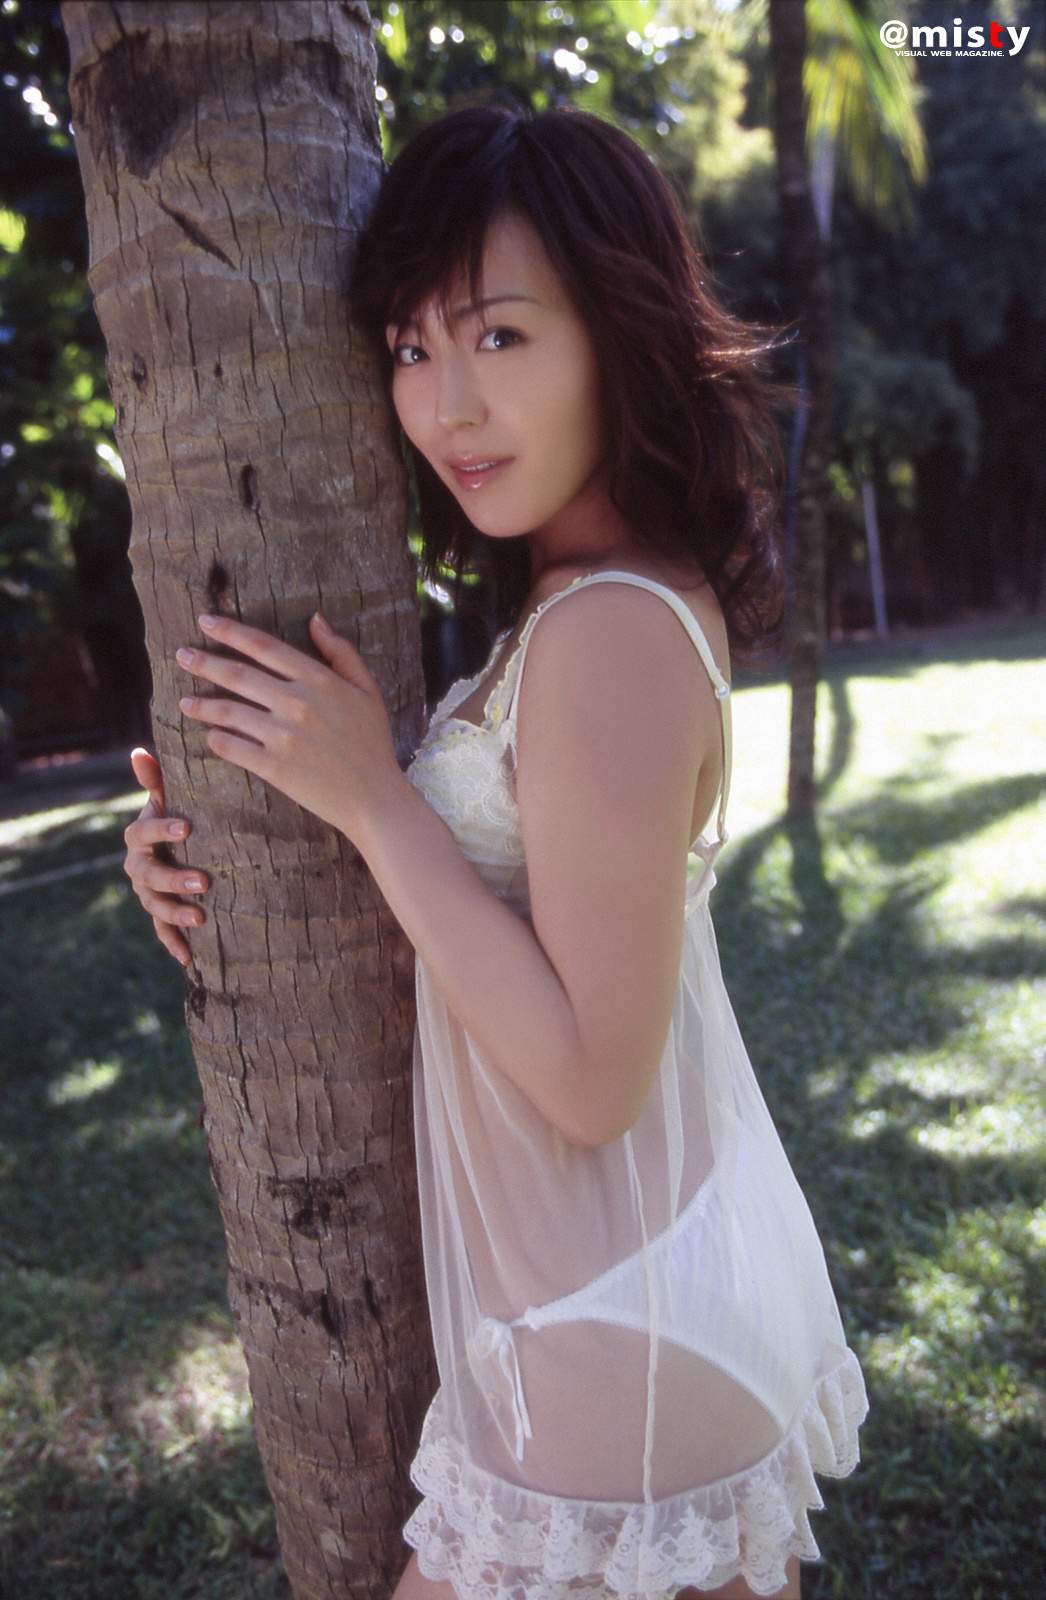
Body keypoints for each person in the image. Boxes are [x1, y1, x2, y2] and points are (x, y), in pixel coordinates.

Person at [122, 105, 869, 1600]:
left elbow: (591, 1078)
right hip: (599, 1317)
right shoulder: (590, 600)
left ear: (619, 333)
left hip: (605, 1351)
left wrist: (374, 800)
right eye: (410, 348)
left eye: (501, 337)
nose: (447, 406)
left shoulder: (608, 630)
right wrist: (226, 848)